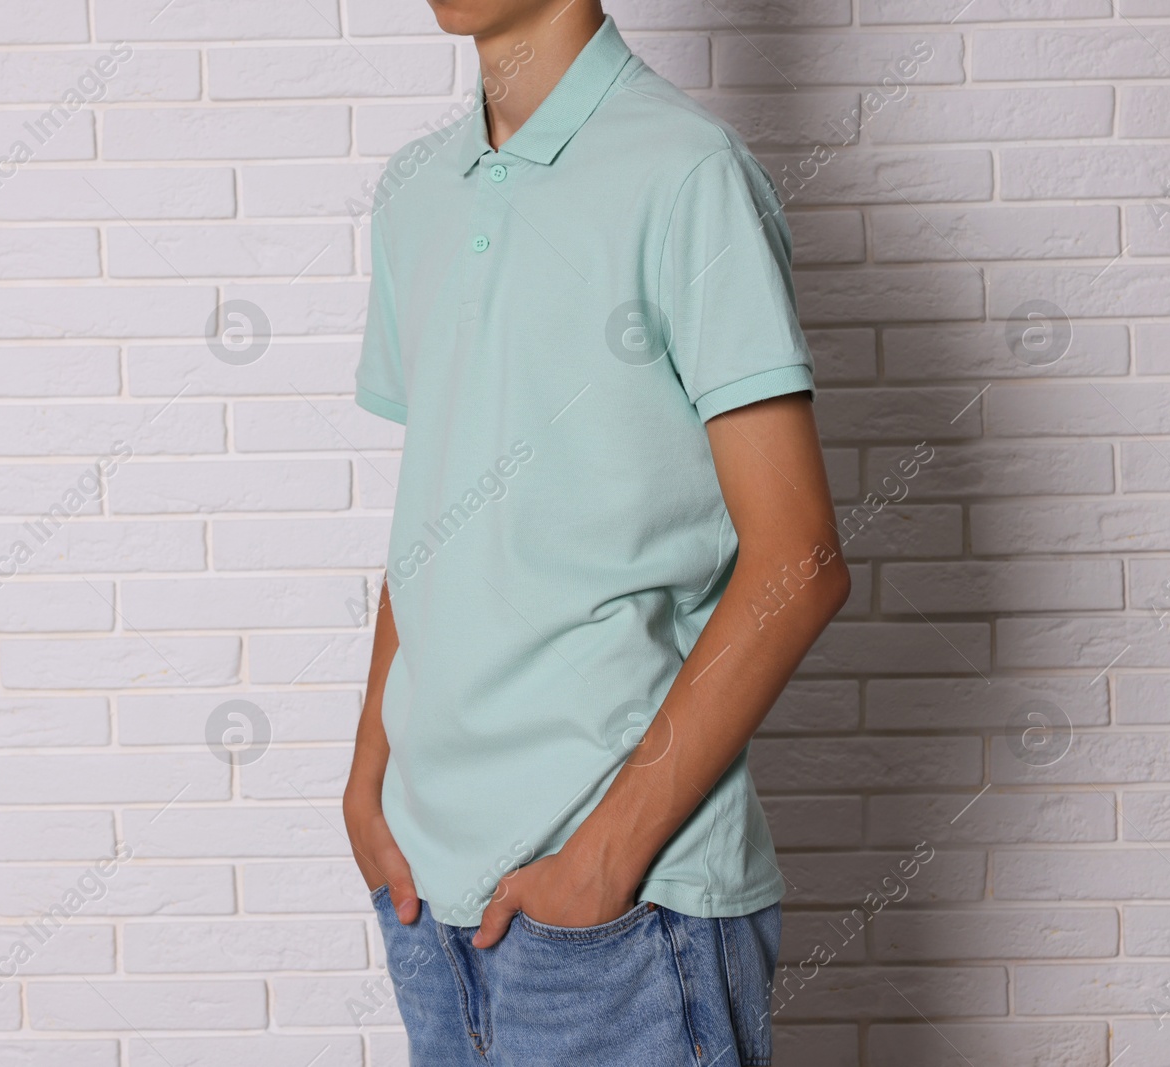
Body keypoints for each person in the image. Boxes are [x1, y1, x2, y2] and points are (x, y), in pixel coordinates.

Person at [344, 1, 850, 1063]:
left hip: (627, 914)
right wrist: (368, 778)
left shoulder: (686, 173)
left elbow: (797, 560)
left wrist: (602, 862)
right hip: (427, 901)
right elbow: (433, 509)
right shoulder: (412, 194)